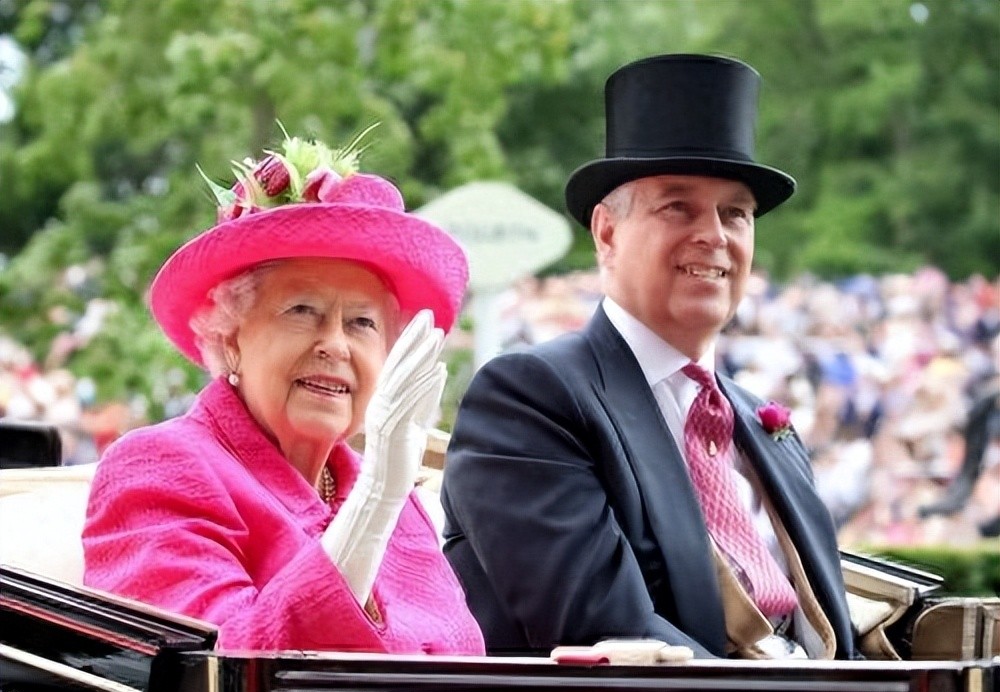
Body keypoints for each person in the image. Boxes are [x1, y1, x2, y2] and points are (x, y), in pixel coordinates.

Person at [441, 54, 860, 660]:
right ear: (607, 233)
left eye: (735, 213)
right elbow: (606, 631)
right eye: (677, 207)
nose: (714, 235)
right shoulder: (531, 399)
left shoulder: (767, 427)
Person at [82, 128, 485, 655]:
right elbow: (217, 673)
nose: (335, 344)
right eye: (302, 311)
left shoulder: (391, 494)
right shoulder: (158, 467)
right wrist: (371, 506)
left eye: (362, 323)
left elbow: (461, 663)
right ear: (230, 336)